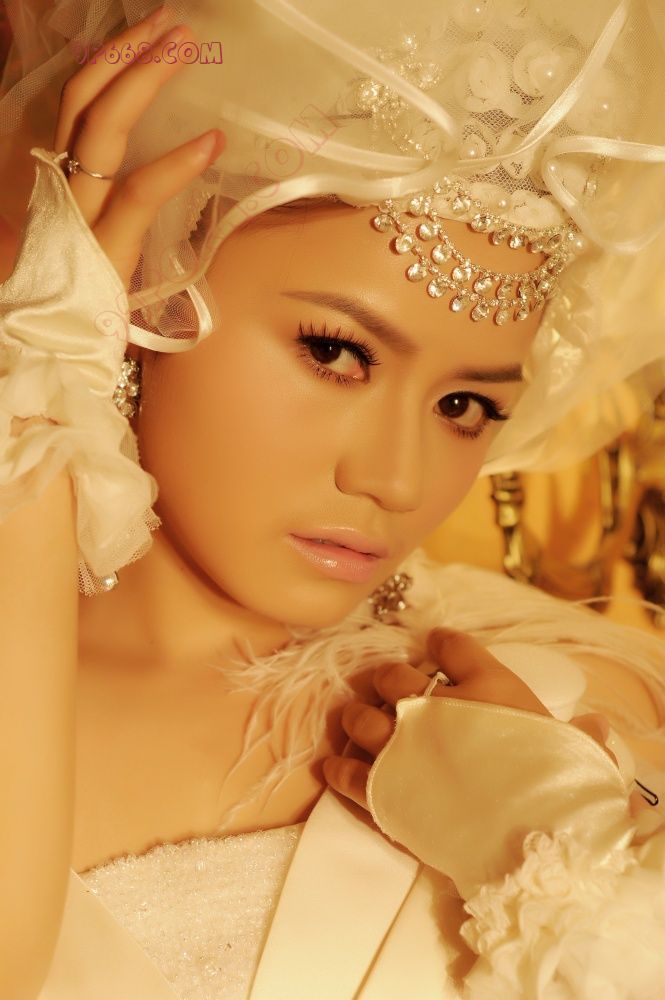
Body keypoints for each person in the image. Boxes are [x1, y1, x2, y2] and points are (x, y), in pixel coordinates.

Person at [1, 1, 665, 997]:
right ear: (135, 294)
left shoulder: (560, 715)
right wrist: (35, 398)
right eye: (335, 354)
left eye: (464, 405)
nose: (394, 479)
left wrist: (561, 859)